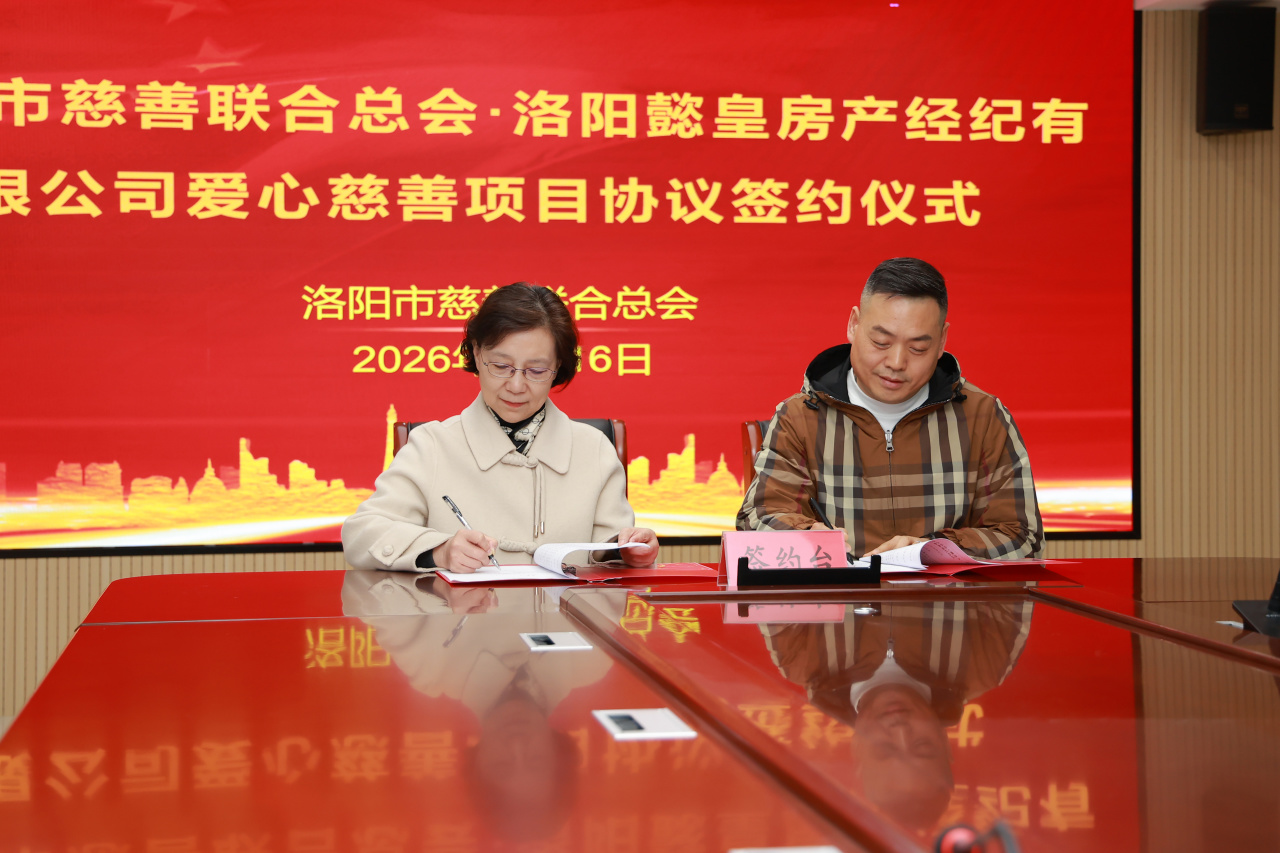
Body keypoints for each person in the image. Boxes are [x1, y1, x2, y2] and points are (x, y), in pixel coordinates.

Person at [737, 257, 1043, 559]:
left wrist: (932, 551)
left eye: (918, 348)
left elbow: (1023, 538)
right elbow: (757, 521)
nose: (896, 363)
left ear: (942, 342)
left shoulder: (983, 417)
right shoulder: (801, 417)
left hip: (947, 592)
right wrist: (808, 537)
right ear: (854, 325)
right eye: (881, 342)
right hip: (841, 591)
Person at [343, 281, 659, 572]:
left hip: (567, 615)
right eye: (501, 366)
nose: (516, 386)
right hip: (459, 615)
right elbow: (361, 534)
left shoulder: (594, 449)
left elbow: (609, 551)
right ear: (477, 353)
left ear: (558, 367)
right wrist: (440, 550)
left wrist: (628, 550)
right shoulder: (431, 445)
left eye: (537, 370)